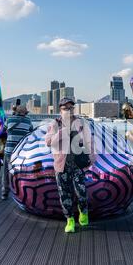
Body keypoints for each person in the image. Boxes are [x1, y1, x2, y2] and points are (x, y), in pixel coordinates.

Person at [45, 97, 96, 233]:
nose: (69, 110)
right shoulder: (55, 124)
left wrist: (92, 155)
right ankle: (70, 220)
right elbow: (48, 141)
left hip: (78, 163)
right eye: (66, 108)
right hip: (62, 165)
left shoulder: (81, 123)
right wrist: (62, 133)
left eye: (71, 108)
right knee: (64, 193)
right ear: (60, 110)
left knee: (81, 192)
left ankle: (83, 211)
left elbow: (89, 140)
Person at [2, 102, 33, 200]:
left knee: (7, 172)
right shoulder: (28, 121)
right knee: (20, 173)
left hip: (9, 150)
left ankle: (4, 192)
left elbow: (4, 130)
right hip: (20, 152)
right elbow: (30, 133)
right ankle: (20, 193)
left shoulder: (10, 119)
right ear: (25, 113)